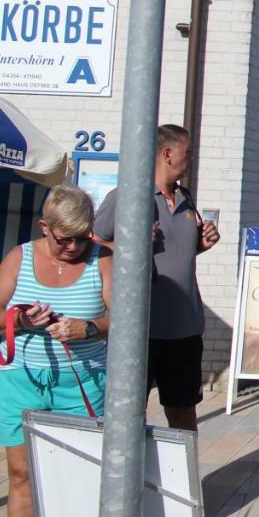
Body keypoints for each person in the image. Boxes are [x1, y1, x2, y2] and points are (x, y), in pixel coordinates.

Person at [0, 186, 111, 517]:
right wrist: (20, 321)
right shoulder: (20, 256)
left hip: (81, 381)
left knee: (79, 475)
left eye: (81, 238)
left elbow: (127, 321)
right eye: (63, 239)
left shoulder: (102, 259)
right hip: (20, 379)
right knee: (21, 475)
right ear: (45, 227)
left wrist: (87, 328)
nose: (73, 247)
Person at [93, 123, 220, 431]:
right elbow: (90, 241)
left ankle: (182, 480)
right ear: (168, 153)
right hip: (141, 330)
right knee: (130, 414)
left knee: (183, 414)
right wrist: (127, 243)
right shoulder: (128, 196)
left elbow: (178, 255)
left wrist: (201, 245)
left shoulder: (185, 198)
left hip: (185, 330)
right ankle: (129, 477)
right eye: (187, 153)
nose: (191, 159)